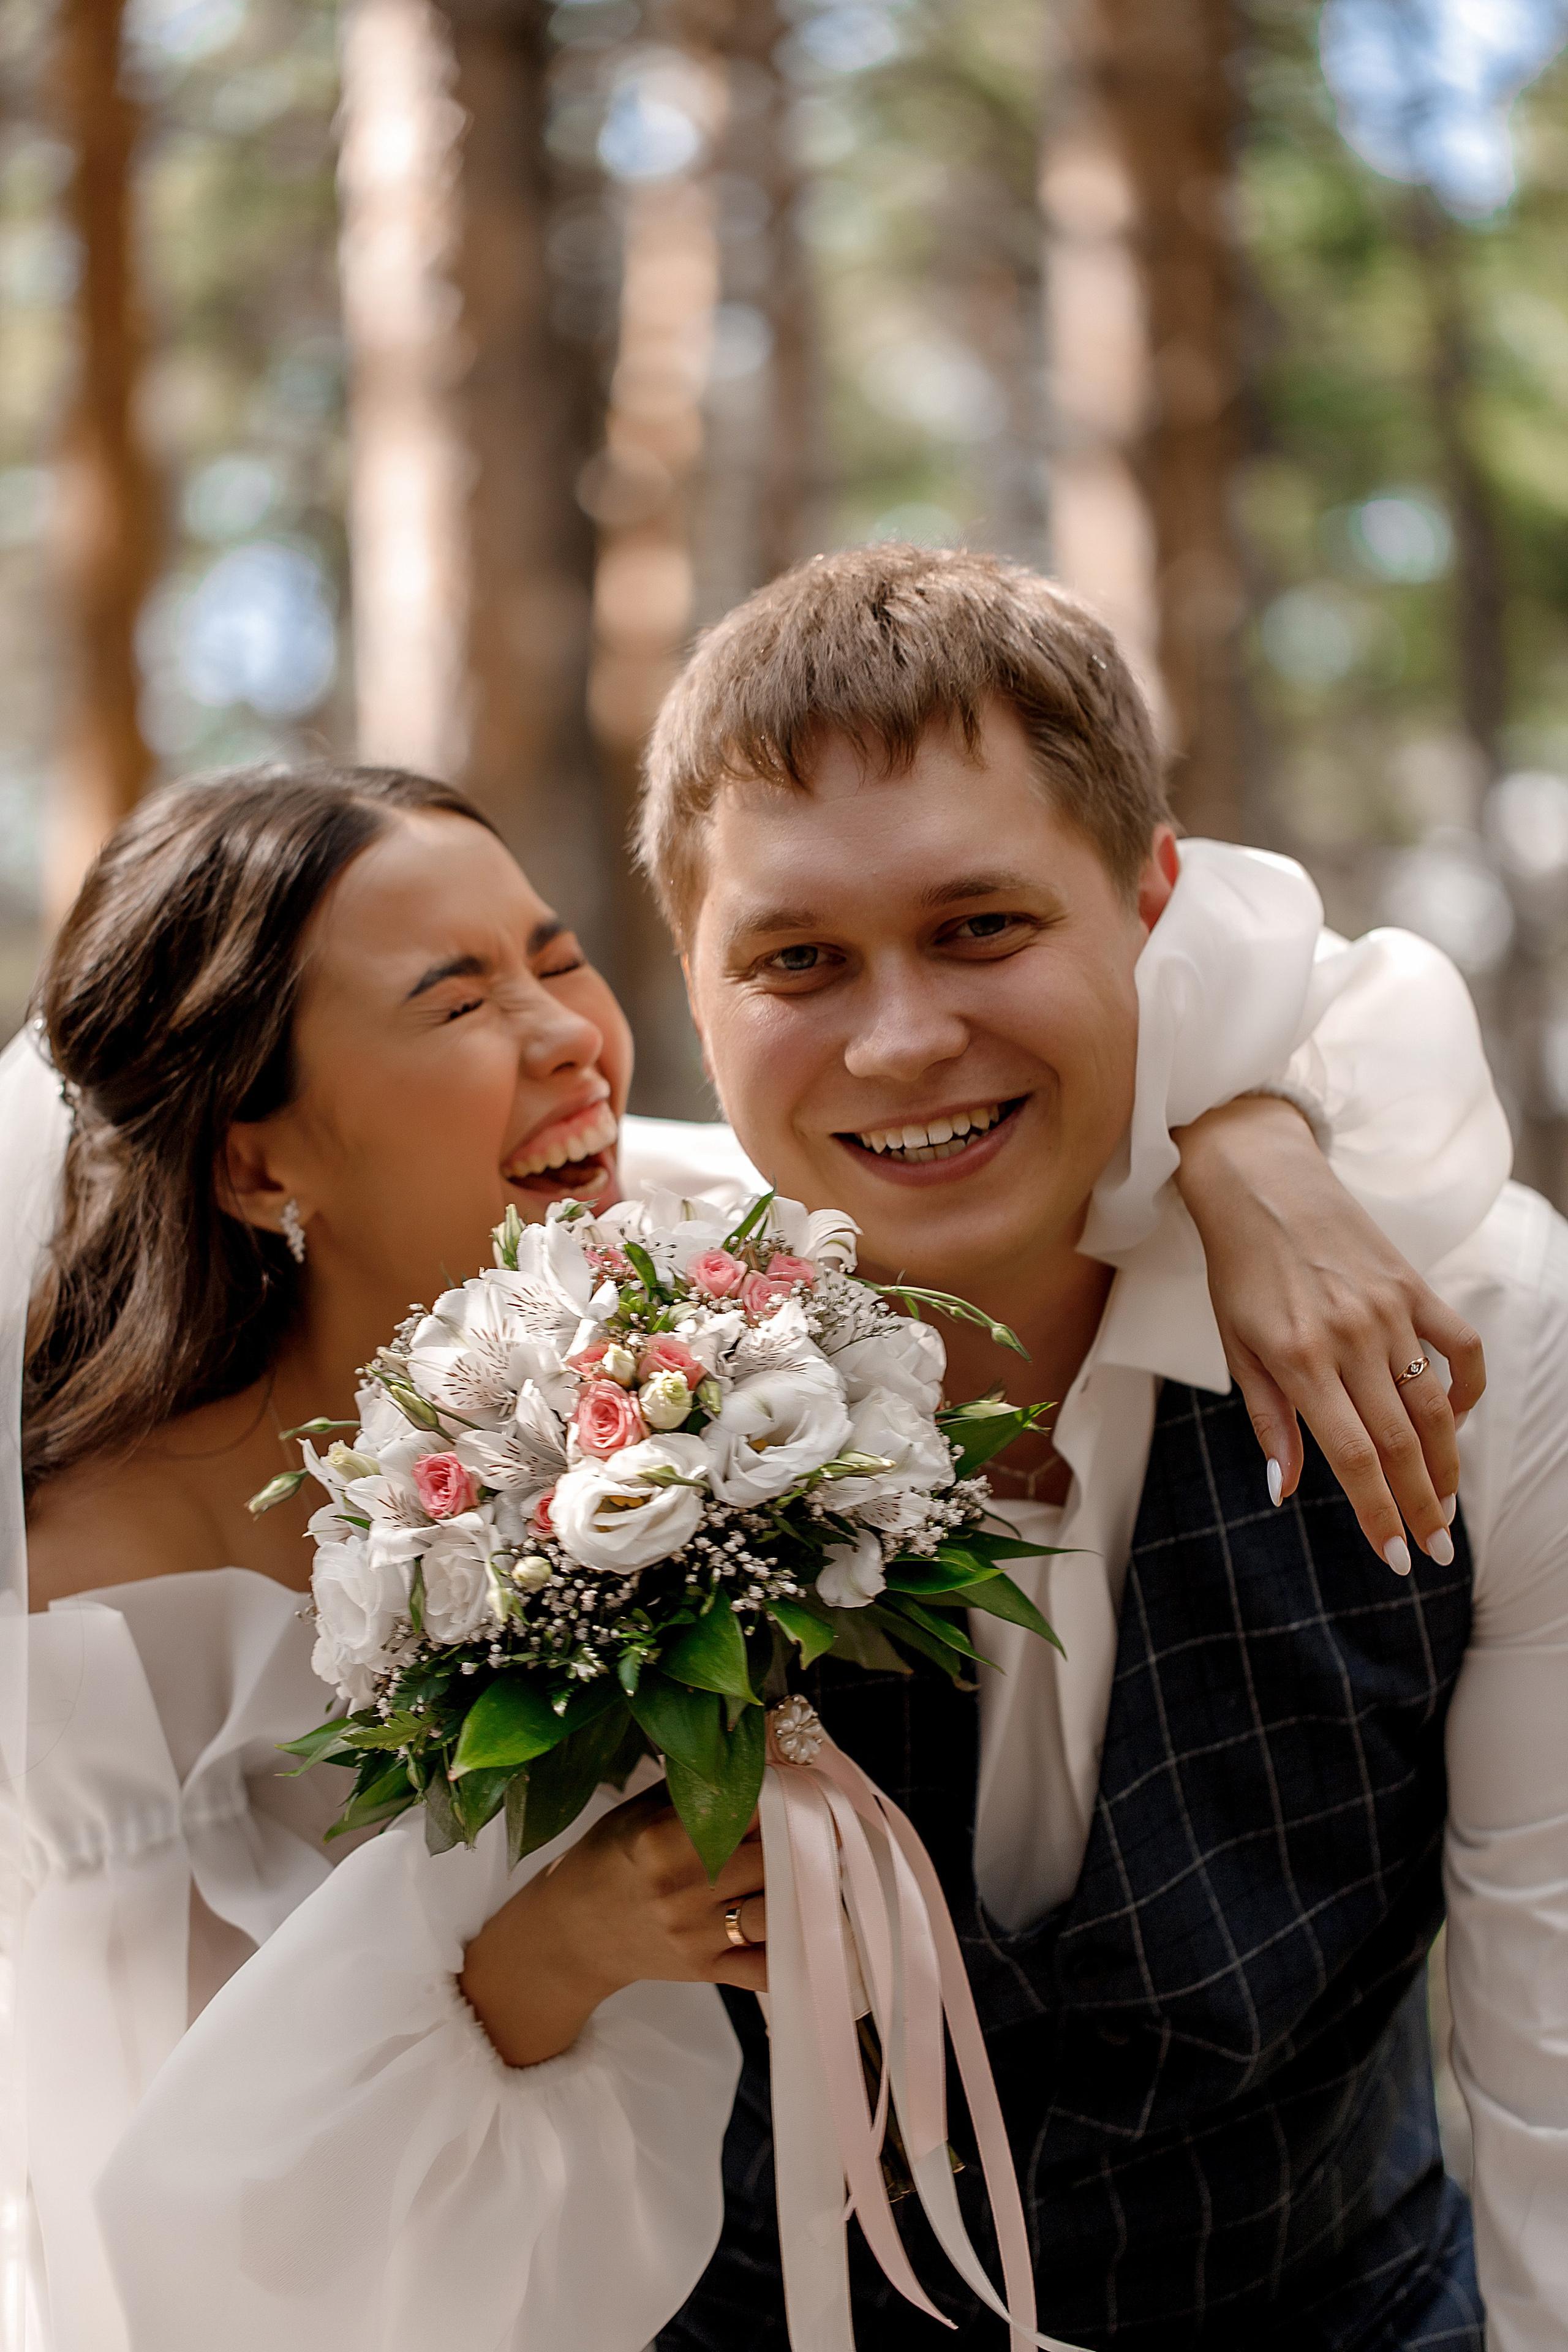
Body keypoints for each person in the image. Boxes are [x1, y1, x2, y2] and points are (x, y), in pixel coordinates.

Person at [84, 556, 1547, 2350]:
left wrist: (1251, 1131)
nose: (902, 1035)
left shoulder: (1457, 1316)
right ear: (699, 986)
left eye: (982, 927)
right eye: (796, 960)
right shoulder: (592, 1375)